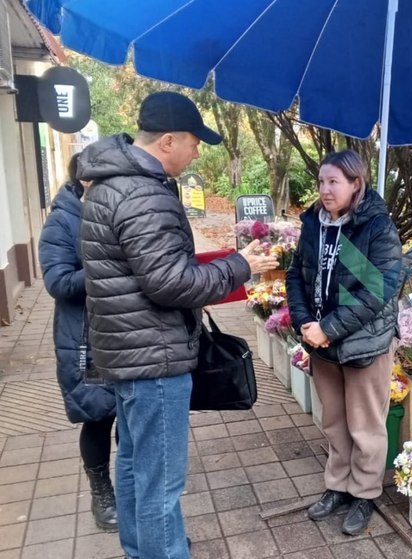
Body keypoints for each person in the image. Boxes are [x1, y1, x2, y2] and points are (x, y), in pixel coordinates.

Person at [77, 91, 279, 559]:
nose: (196, 153)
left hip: (127, 352)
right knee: (160, 485)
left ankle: (139, 550)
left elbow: (145, 270)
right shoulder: (143, 192)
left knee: (132, 467)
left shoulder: (109, 183)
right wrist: (239, 265)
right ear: (168, 140)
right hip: (154, 358)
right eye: (193, 143)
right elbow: (170, 283)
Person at [286, 150, 403, 536]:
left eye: (333, 181)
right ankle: (338, 487)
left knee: (366, 425)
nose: (324, 189)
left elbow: (376, 292)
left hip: (364, 344)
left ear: (356, 184)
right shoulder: (314, 225)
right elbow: (296, 277)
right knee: (334, 420)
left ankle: (365, 494)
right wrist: (305, 321)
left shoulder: (374, 227)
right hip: (322, 344)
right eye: (321, 182)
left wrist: (329, 328)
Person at [38, 153, 118, 532]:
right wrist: (107, 266)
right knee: (99, 415)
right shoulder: (61, 221)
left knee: (132, 413)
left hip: (126, 332)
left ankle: (133, 487)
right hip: (88, 339)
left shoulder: (112, 212)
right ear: (86, 181)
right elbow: (58, 283)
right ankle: (101, 490)